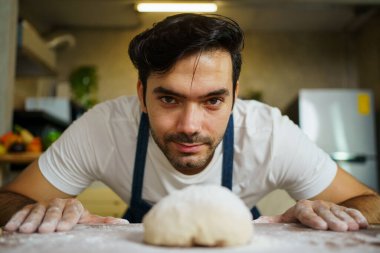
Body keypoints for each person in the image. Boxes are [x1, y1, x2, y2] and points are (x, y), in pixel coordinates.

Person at [1, 13, 379, 234]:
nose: (189, 125)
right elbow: (7, 198)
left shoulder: (269, 133)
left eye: (213, 100)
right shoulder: (104, 127)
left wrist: (319, 214)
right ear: (141, 94)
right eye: (169, 98)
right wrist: (36, 211)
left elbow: (371, 203)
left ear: (234, 95)